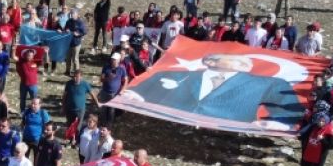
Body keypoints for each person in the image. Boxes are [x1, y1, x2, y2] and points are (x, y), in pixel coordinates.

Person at [115, 52, 308, 130]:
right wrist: (134, 94)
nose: (246, 64)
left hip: (230, 129)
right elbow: (140, 91)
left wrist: (279, 124)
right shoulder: (172, 75)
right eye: (237, 60)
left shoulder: (267, 83)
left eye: (247, 63)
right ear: (210, 61)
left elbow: (288, 109)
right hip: (172, 126)